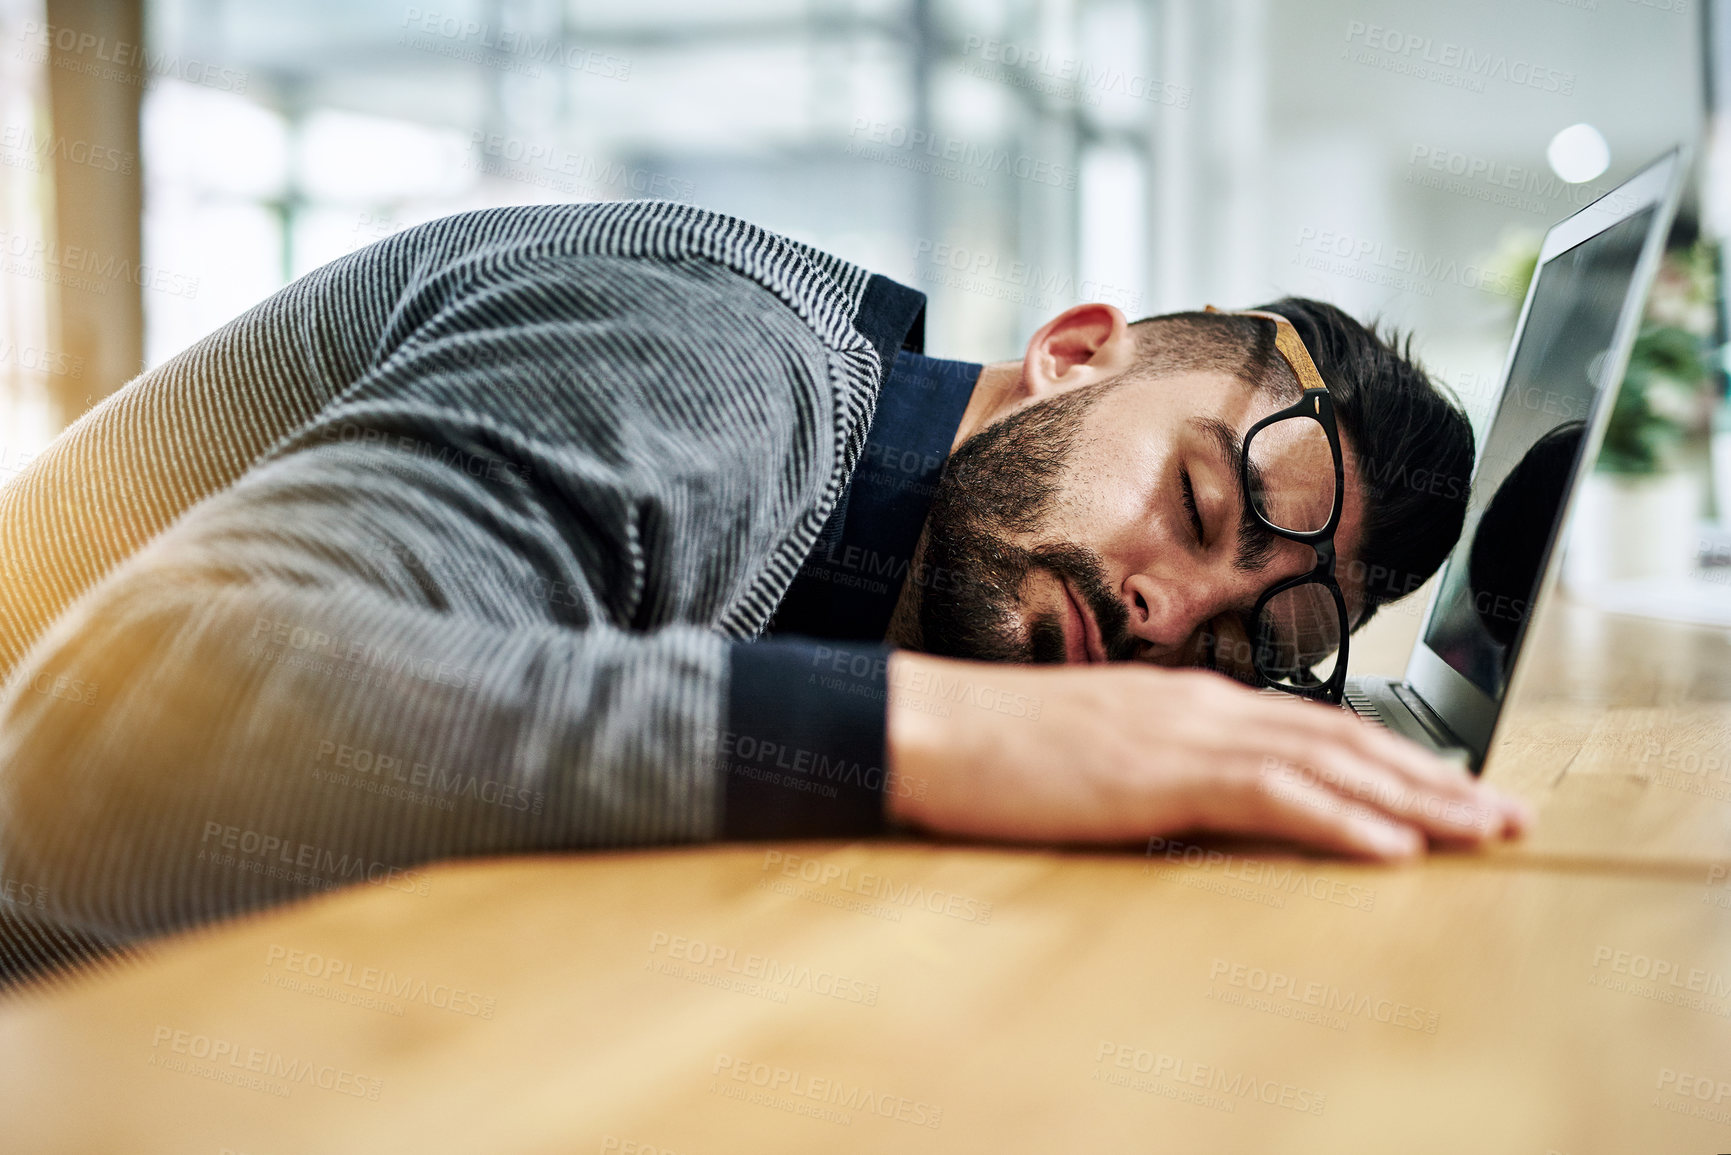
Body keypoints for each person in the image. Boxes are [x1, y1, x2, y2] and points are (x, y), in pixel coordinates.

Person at [0, 200, 1526, 977]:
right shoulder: (729, 373)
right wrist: (951, 742)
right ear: (1071, 350)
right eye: (1197, 503)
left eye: (1244, 649)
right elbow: (97, 741)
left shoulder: (856, 499)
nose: (1164, 618)